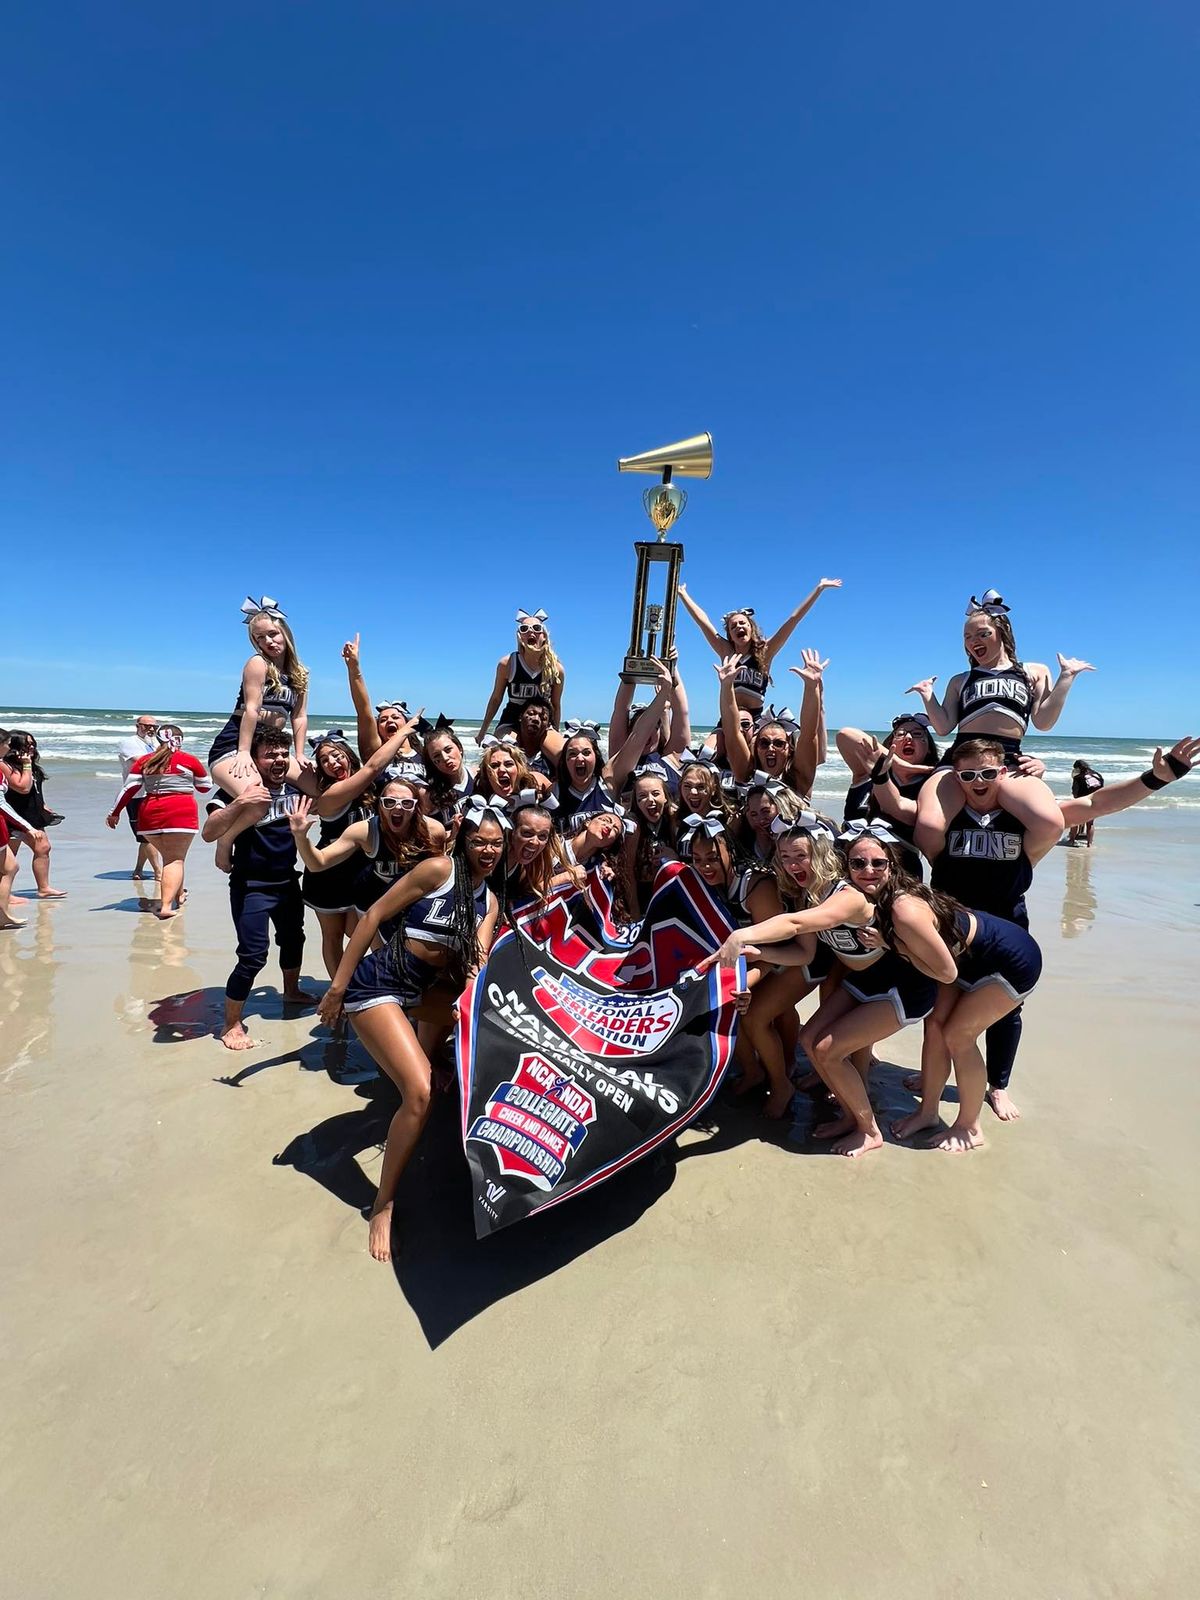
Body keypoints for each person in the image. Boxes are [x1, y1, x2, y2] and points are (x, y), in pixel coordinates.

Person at [874, 732, 1199, 1119]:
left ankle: (998, 1086)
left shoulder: (1024, 820)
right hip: (952, 927)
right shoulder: (943, 819)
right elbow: (894, 805)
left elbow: (1096, 802)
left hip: (1007, 924)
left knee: (1007, 1012)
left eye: (988, 773)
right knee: (940, 1012)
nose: (978, 783)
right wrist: (880, 773)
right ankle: (934, 1075)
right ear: (955, 778)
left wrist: (1159, 777)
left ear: (1003, 773)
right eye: (967, 776)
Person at [315, 804, 504, 1263]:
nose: (488, 851)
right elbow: (375, 915)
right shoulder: (438, 870)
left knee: (484, 1024)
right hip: (376, 984)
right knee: (419, 1093)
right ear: (463, 839)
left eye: (497, 844)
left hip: (418, 991)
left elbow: (475, 960)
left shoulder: (489, 899)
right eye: (479, 841)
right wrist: (337, 987)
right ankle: (383, 1205)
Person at [703, 823, 945, 1155]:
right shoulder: (809, 894)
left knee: (828, 1050)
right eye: (785, 857)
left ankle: (868, 1130)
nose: (792, 865)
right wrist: (760, 953)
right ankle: (850, 1115)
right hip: (865, 981)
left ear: (820, 854)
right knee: (810, 1041)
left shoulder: (847, 895)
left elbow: (796, 924)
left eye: (800, 855)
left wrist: (741, 936)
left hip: (901, 985)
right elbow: (803, 952)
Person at [905, 590, 1093, 865]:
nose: (973, 642)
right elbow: (944, 727)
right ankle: (946, 875)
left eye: (982, 634)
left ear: (1002, 631)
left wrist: (1067, 677)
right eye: (967, 637)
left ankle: (1015, 873)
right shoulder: (961, 680)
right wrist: (927, 694)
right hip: (961, 757)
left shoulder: (1033, 671)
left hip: (1008, 761)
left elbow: (1043, 721)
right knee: (930, 827)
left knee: (1051, 823)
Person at [883, 885, 1043, 1153]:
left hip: (1012, 961)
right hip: (964, 959)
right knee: (934, 1025)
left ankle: (969, 1127)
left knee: (958, 1036)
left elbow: (944, 972)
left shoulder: (903, 909)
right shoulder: (875, 904)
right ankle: (927, 1113)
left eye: (877, 863)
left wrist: (891, 944)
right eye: (857, 864)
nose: (867, 870)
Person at [201, 727, 317, 1050]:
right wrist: (241, 802)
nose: (279, 760)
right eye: (270, 754)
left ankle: (291, 992)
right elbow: (209, 832)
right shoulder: (233, 792)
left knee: (294, 939)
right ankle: (230, 1024)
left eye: (283, 754)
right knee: (253, 955)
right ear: (254, 759)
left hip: (288, 881)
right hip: (251, 884)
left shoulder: (296, 789)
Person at [300, 716, 425, 978]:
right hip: (328, 873)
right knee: (333, 937)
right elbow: (373, 767)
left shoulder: (372, 790)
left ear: (348, 755)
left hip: (361, 874)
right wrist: (403, 731)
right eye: (325, 761)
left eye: (337, 755)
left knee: (359, 933)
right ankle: (340, 994)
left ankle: (362, 981)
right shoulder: (331, 796)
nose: (333, 763)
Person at [678, 577, 842, 710]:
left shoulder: (766, 650)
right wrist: (683, 594)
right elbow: (703, 622)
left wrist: (819, 588)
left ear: (751, 628)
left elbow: (793, 620)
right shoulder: (726, 651)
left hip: (756, 718)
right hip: (731, 715)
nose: (738, 627)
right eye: (733, 626)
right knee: (707, 751)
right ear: (730, 635)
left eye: (743, 623)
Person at [207, 598, 309, 800]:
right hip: (237, 742)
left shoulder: (299, 673)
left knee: (317, 789)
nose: (268, 641)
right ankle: (224, 826)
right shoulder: (258, 663)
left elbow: (299, 717)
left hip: (272, 746)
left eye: (273, 634)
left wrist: (299, 754)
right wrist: (243, 751)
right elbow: (252, 709)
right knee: (256, 798)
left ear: (286, 634)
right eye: (260, 637)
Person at [106, 726, 212, 918]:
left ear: (157, 739)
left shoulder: (146, 761)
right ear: (181, 740)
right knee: (174, 859)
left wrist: (114, 813)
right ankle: (165, 907)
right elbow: (205, 787)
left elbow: (128, 789)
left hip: (149, 815)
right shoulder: (189, 760)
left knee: (171, 859)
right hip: (180, 813)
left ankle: (179, 895)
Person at [478, 608, 566, 737]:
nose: (531, 632)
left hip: (542, 721)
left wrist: (556, 732)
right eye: (524, 629)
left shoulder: (556, 669)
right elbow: (496, 699)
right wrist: (483, 731)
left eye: (536, 628)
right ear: (519, 637)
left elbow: (556, 705)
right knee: (508, 748)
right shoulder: (507, 664)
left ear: (544, 635)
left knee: (558, 753)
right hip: (512, 721)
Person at [1, 731, 66, 898]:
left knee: (43, 847)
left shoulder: (30, 764)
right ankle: (5, 894)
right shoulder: (5, 765)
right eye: (26, 744)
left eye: (32, 744)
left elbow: (34, 788)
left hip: (32, 813)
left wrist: (42, 804)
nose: (31, 747)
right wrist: (27, 765)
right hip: (14, 815)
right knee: (9, 858)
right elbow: (22, 787)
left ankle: (43, 888)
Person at [116, 714, 163, 881]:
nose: (151, 729)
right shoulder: (129, 743)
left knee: (149, 835)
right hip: (137, 795)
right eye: (146, 726)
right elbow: (143, 762)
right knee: (147, 835)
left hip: (155, 793)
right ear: (137, 726)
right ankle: (158, 872)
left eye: (154, 727)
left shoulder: (156, 743)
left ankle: (138, 870)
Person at [1068, 760, 1105, 846]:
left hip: (1083, 800)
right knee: (1090, 823)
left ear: (1077, 768)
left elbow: (1075, 792)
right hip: (1095, 801)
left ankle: (1072, 841)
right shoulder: (1097, 775)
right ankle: (1089, 844)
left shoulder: (1078, 777)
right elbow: (1102, 788)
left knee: (1074, 821)